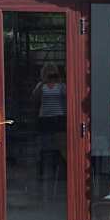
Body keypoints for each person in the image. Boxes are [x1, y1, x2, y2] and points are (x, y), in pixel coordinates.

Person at [32, 63, 67, 199]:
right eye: (48, 72)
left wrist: (59, 81)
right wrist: (43, 82)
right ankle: (42, 172)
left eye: (53, 72)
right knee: (44, 146)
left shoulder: (61, 86)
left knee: (60, 146)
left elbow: (68, 96)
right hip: (45, 119)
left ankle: (61, 171)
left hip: (58, 118)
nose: (51, 74)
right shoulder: (41, 85)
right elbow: (34, 98)